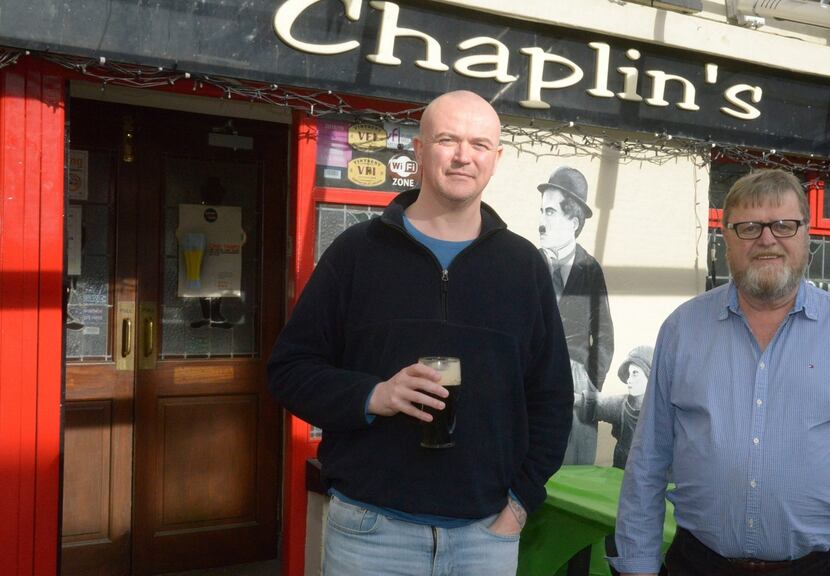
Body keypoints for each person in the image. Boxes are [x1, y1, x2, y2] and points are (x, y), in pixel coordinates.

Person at [268, 90, 573, 576]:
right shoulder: (358, 252)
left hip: (484, 536)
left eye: (478, 144)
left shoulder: (523, 267)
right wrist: (375, 394)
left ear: (497, 158)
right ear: (419, 149)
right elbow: (289, 370)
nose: (462, 156)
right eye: (447, 139)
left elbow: (553, 398)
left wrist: (518, 507)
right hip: (370, 534)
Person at [609, 169, 830, 576]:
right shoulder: (682, 329)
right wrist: (636, 565)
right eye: (749, 227)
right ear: (726, 240)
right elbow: (647, 460)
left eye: (784, 225)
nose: (767, 239)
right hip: (699, 565)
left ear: (807, 237)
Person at [538, 165, 614, 465]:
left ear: (573, 221)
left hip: (577, 389)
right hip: (536, 386)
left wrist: (590, 384)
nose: (541, 222)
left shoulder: (589, 269)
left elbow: (605, 336)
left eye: (551, 213)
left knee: (575, 468)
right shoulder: (529, 264)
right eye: (541, 211)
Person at [592, 345, 653, 470]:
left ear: (650, 376)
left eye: (635, 374)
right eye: (629, 374)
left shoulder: (666, 412)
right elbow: (593, 402)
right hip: (620, 479)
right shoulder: (621, 405)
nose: (629, 380)